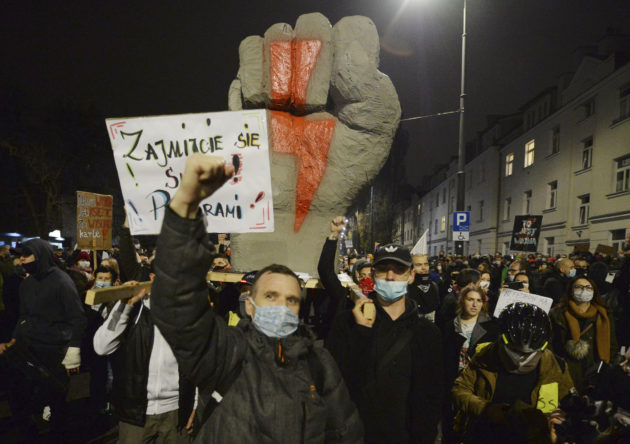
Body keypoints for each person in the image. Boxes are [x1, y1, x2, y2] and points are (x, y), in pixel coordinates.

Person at [149, 154, 363, 442]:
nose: (281, 305)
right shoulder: (226, 352)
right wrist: (184, 208)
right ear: (250, 305)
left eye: (291, 299)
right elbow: (177, 305)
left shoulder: (319, 365)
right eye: (271, 295)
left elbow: (345, 433)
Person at [326, 242, 443, 444]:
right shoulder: (347, 323)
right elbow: (335, 383)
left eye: (399, 270)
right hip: (358, 436)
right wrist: (361, 333)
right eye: (383, 269)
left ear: (411, 276)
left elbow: (432, 397)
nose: (390, 276)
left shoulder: (427, 332)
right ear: (373, 275)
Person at [0, 238, 87, 441]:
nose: (22, 260)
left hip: (54, 351)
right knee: (18, 398)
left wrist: (73, 349)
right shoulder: (27, 283)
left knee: (56, 403)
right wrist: (13, 340)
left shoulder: (62, 281)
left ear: (41, 255)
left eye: (26, 255)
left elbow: (78, 317)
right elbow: (24, 317)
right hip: (28, 349)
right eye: (20, 256)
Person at [93, 281, 196, 443]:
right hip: (135, 415)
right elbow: (101, 347)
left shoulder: (188, 313)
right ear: (153, 276)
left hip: (176, 412)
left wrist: (195, 405)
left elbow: (198, 363)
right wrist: (124, 306)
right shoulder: (134, 309)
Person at [452, 303, 574, 440]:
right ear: (501, 339)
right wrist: (485, 409)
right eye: (515, 351)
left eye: (529, 354)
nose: (521, 359)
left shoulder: (556, 366)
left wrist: (557, 421)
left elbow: (568, 404)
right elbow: (460, 390)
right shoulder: (485, 356)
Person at [441, 286, 497, 443]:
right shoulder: (449, 326)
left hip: (479, 384)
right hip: (453, 382)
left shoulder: (492, 327)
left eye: (479, 300)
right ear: (462, 301)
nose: (475, 304)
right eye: (470, 299)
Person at [549, 276, 618, 392]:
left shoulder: (603, 315)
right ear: (571, 290)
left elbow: (612, 344)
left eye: (588, 287)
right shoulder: (556, 314)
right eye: (579, 287)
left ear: (594, 291)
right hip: (566, 372)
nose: (584, 290)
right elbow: (550, 345)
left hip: (595, 373)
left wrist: (609, 366)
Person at [407, 253, 440, 321]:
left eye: (426, 264)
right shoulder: (405, 288)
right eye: (418, 265)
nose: (424, 268)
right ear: (411, 267)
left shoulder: (434, 286)